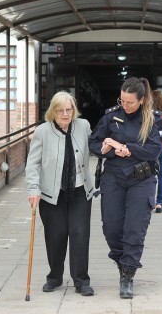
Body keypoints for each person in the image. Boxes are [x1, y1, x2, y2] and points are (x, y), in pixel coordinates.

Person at [89, 77, 162, 299]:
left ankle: (128, 275)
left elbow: (154, 149)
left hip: (141, 180)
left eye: (130, 102)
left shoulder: (153, 120)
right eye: (122, 100)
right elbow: (93, 142)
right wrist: (109, 149)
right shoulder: (111, 116)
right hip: (113, 178)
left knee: (134, 228)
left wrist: (127, 148)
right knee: (111, 228)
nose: (125, 105)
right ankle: (123, 263)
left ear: (142, 100)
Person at [26, 91, 95, 296]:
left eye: (69, 109)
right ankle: (55, 277)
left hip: (80, 190)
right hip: (51, 194)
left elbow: (96, 146)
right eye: (60, 111)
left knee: (79, 234)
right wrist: (33, 189)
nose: (65, 114)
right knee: (55, 236)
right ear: (53, 112)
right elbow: (33, 164)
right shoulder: (42, 131)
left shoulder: (83, 126)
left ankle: (81, 280)